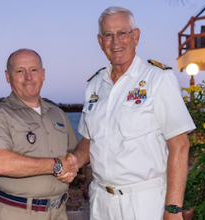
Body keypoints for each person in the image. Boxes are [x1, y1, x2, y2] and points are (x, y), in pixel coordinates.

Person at [60, 6, 196, 220]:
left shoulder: (157, 79)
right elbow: (88, 140)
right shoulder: (94, 85)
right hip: (101, 201)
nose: (116, 41)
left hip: (144, 202)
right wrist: (75, 160)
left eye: (122, 33)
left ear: (136, 36)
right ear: (100, 41)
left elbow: (180, 144)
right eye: (108, 35)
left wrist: (173, 209)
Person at [0, 48, 78, 220]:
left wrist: (73, 163)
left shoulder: (57, 113)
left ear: (43, 74)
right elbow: (0, 163)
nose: (28, 77)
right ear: (8, 77)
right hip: (16, 212)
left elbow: (72, 153)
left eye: (34, 70)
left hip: (59, 212)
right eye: (20, 71)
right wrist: (56, 165)